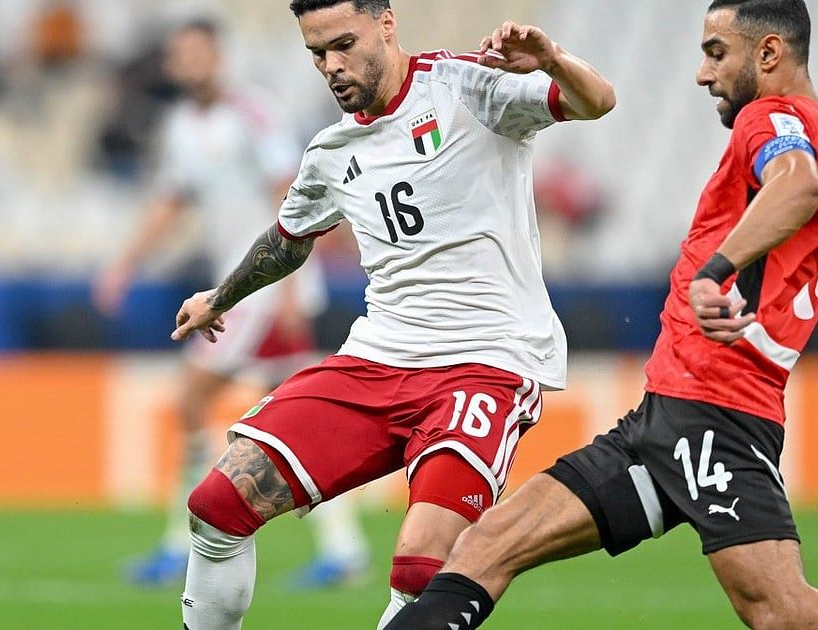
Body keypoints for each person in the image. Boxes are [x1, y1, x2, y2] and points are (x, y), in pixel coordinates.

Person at [383, 1, 818, 629]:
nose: (703, 74)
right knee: (487, 545)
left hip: (713, 414)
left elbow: (798, 182)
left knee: (784, 612)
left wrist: (714, 272)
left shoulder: (771, 118)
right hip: (667, 417)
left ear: (768, 53)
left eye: (716, 53)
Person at [168, 1, 615, 627]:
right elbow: (287, 241)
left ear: (386, 24)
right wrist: (220, 299)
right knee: (217, 503)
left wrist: (554, 60)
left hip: (484, 364)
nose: (331, 65)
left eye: (343, 44)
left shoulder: (467, 87)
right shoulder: (331, 150)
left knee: (420, 567)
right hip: (377, 359)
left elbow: (597, 102)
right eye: (317, 52)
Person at [93, 18, 369, 589]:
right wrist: (124, 264)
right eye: (181, 54)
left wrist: (291, 287)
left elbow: (291, 196)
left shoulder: (254, 114)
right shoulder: (180, 126)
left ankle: (181, 543)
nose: (189, 63)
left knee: (193, 399)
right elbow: (170, 201)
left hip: (261, 289)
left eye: (198, 52)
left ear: (218, 56)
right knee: (304, 417)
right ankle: (343, 548)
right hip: (240, 288)